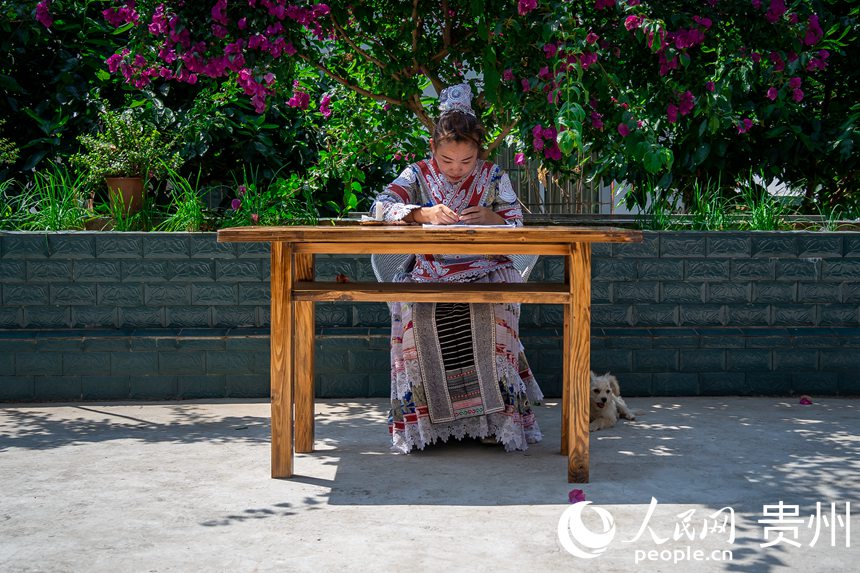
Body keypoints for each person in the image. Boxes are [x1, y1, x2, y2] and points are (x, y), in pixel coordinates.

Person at [371, 83, 544, 453]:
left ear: (478, 154)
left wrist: (493, 217)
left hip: (487, 271)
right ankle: (431, 425)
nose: (456, 170)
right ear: (432, 149)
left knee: (492, 318)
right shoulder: (416, 175)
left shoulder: (495, 177)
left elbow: (518, 223)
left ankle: (493, 423)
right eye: (447, 161)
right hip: (429, 274)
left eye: (466, 162)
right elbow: (380, 208)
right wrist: (422, 213)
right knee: (418, 320)